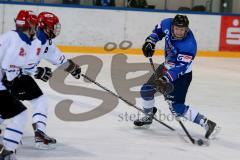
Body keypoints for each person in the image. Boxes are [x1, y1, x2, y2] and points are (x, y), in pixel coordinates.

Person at [134, 14, 219, 139]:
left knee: (177, 108)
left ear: (187, 29)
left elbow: (180, 68)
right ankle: (148, 116)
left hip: (181, 76)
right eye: (177, 29)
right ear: (173, 26)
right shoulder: (167, 23)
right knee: (146, 91)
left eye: (182, 29)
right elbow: (158, 32)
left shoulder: (189, 46)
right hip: (165, 67)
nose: (179, 32)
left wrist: (164, 80)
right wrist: (150, 41)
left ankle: (208, 124)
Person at [6, 11, 82, 150]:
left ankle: (39, 133)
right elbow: (22, 64)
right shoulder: (36, 40)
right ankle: (36, 134)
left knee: (37, 100)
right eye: (53, 26)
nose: (55, 29)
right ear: (45, 26)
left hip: (15, 76)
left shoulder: (44, 39)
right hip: (11, 77)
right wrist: (38, 72)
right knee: (34, 102)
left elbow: (55, 55)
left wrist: (71, 67)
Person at [0, 10, 38, 159]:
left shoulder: (11, 36)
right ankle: (8, 151)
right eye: (34, 25)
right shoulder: (19, 41)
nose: (35, 28)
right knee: (20, 114)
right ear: (29, 25)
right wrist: (10, 79)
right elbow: (8, 65)